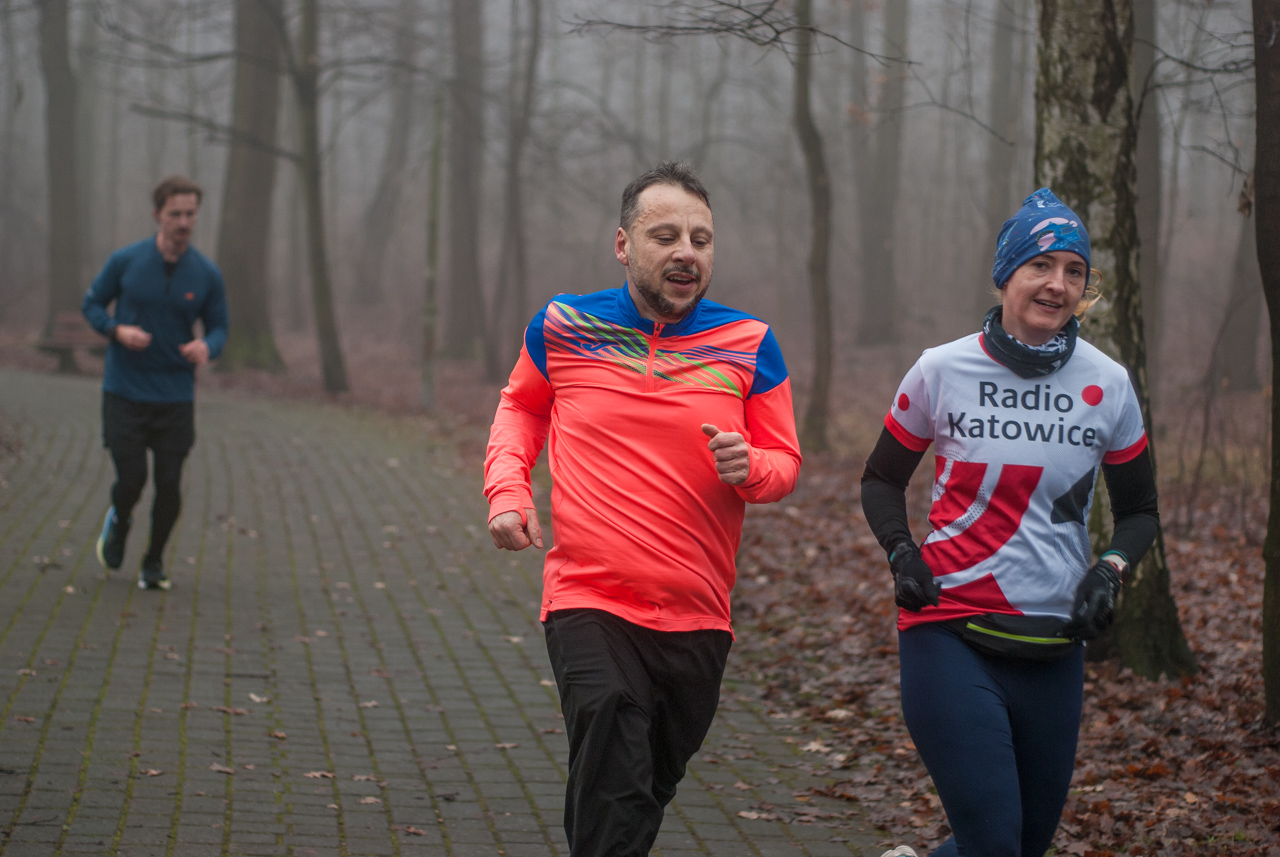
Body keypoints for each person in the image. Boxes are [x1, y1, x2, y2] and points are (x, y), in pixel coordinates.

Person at [484, 162, 802, 856]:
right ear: (623, 245)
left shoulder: (750, 343)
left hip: (698, 615)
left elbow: (784, 461)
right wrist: (507, 491)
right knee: (613, 746)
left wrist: (752, 467)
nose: (687, 252)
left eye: (701, 239)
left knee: (639, 789)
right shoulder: (564, 325)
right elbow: (521, 408)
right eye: (665, 236)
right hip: (589, 598)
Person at [859, 188, 1160, 857]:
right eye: (1040, 265)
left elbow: (1140, 511)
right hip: (949, 629)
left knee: (1020, 845)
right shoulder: (942, 369)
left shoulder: (1109, 384)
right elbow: (880, 479)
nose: (1058, 284)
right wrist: (902, 553)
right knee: (994, 843)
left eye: (1074, 271)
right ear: (1005, 276)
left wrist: (1110, 571)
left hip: (1055, 645)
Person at [82, 175, 228, 591]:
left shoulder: (206, 273)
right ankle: (120, 519)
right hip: (125, 389)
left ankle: (154, 560)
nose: (183, 222)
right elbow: (92, 304)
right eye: (175, 214)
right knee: (131, 479)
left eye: (190, 214)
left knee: (169, 482)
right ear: (157, 215)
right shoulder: (126, 261)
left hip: (175, 394)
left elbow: (219, 327)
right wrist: (116, 330)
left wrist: (207, 346)